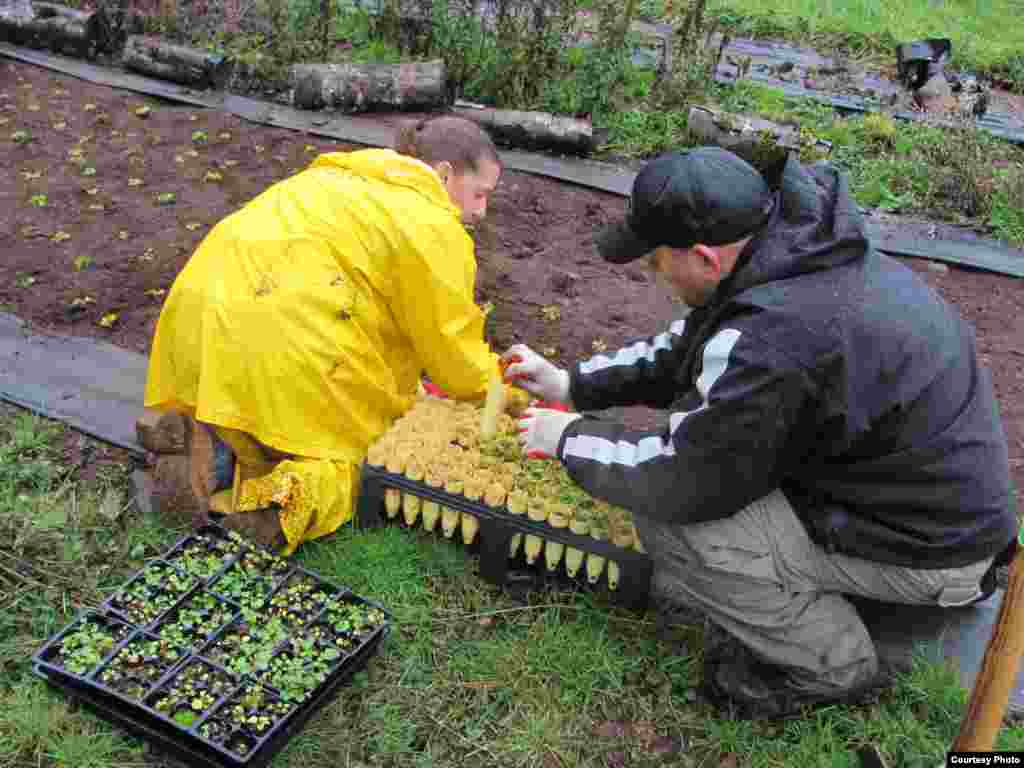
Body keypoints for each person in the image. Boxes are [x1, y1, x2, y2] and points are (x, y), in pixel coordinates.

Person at [502, 147, 1017, 719]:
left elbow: (684, 478)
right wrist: (572, 385)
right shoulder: (789, 251)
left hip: (934, 551)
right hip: (913, 503)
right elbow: (690, 350)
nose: (654, 275)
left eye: (654, 263)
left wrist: (569, 438)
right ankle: (833, 592)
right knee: (717, 452)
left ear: (704, 258)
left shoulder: (780, 336)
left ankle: (829, 664)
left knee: (676, 525)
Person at [145, 115, 526, 554]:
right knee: (365, 456)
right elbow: (452, 354)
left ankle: (201, 436)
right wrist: (511, 392)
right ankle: (278, 504)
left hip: (198, 312)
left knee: (247, 403)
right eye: (479, 194)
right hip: (285, 331)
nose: (481, 211)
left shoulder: (337, 175)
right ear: (442, 173)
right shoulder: (432, 224)